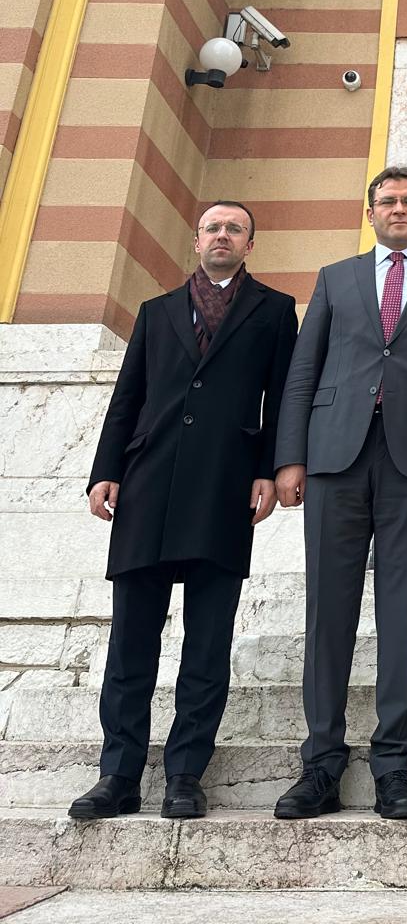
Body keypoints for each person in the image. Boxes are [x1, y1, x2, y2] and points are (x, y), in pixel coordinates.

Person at [68, 202, 296, 822]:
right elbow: (127, 397)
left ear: (250, 243)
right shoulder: (156, 311)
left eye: (235, 229)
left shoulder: (275, 311)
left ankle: (185, 774)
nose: (223, 236)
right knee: (131, 642)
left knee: (207, 642)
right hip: (146, 485)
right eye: (213, 228)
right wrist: (105, 471)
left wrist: (269, 470)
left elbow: (281, 399)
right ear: (196, 240)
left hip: (225, 488)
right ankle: (117, 775)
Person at [272, 165, 407, 820]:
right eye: (387, 200)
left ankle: (394, 764)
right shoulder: (335, 278)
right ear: (371, 212)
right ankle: (321, 764)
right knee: (327, 611)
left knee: (402, 611)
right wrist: (291, 458)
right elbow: (304, 370)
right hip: (335, 458)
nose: (398, 209)